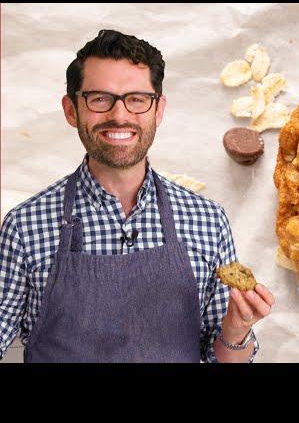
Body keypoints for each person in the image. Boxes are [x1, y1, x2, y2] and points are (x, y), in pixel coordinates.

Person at [0, 29, 274, 362]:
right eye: (100, 98)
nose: (120, 115)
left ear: (158, 110)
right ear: (72, 110)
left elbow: (226, 359)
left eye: (137, 99)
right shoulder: (24, 227)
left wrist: (235, 331)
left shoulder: (207, 221)